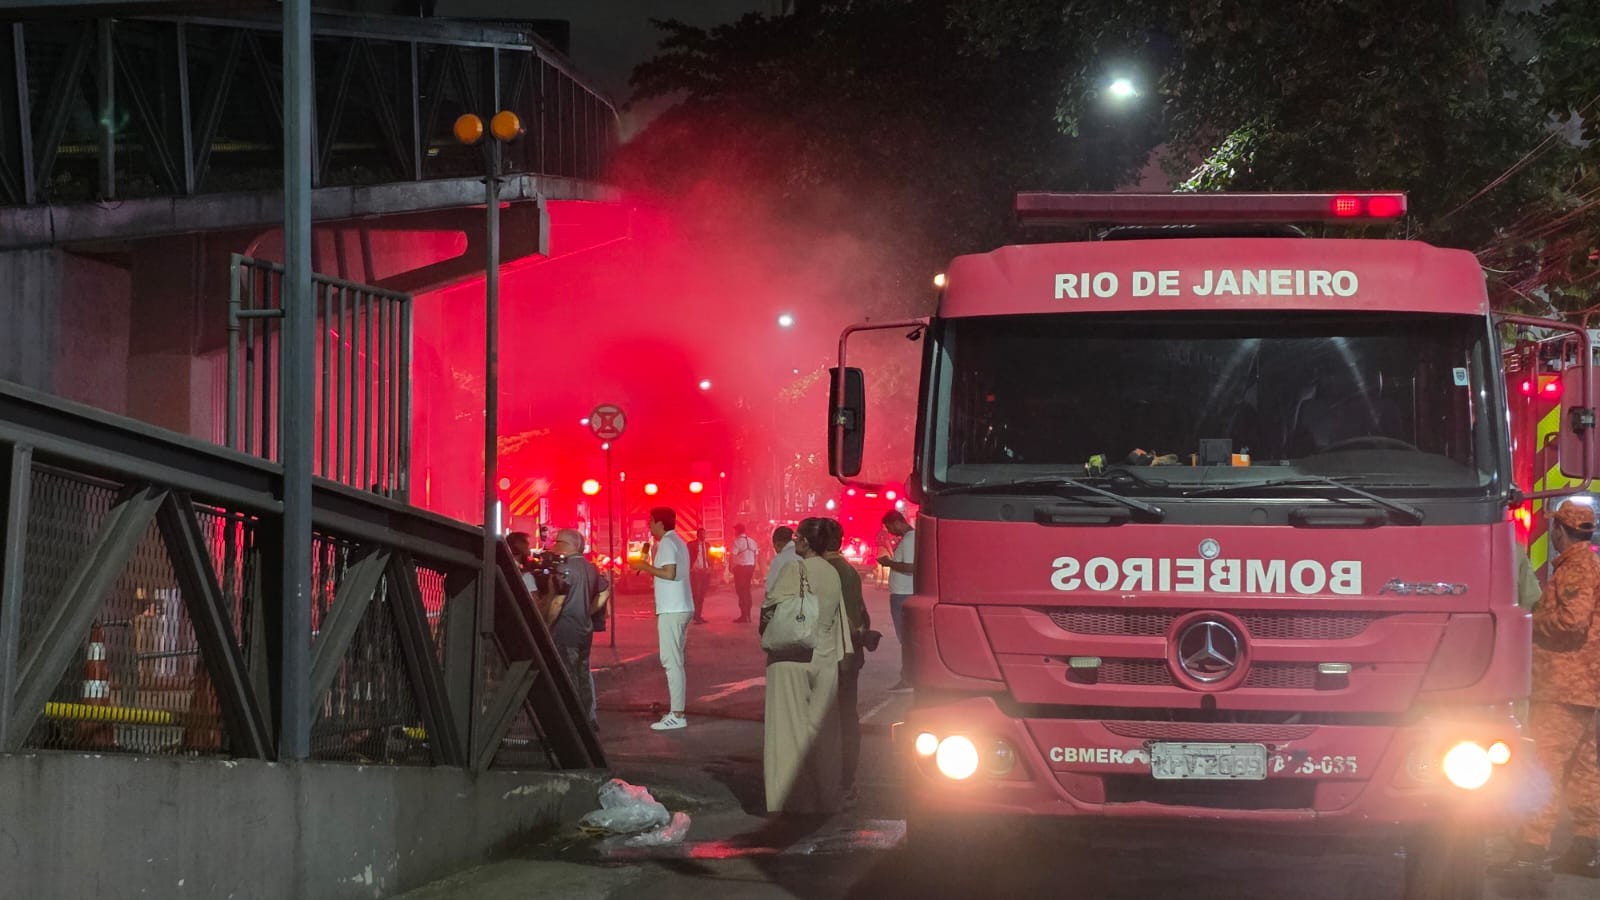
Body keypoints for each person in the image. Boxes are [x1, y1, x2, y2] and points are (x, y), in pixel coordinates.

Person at [1503, 500, 1600, 879]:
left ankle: (1531, 849)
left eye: (1554, 529)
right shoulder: (1589, 564)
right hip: (1585, 687)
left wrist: (1533, 620)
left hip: (1563, 685)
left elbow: (1571, 622)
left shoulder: (1576, 567)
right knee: (1583, 770)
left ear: (1560, 530)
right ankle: (1587, 848)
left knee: (1542, 766)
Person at [762, 517, 848, 815]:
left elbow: (770, 606)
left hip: (793, 659)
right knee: (823, 732)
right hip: (825, 657)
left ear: (806, 543)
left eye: (797, 536)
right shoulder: (832, 572)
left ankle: (791, 800)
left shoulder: (793, 568)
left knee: (787, 732)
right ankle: (827, 797)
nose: (794, 540)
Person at [629, 507, 693, 731]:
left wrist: (644, 566)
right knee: (676, 661)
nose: (649, 525)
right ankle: (677, 711)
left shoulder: (666, 543)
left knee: (671, 661)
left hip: (672, 609)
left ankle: (677, 714)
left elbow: (669, 573)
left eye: (651, 521)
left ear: (660, 523)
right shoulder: (679, 542)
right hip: (683, 606)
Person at [819, 518, 870, 800]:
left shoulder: (831, 572)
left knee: (835, 719)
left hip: (835, 657)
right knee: (844, 717)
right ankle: (843, 778)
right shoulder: (845, 571)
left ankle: (839, 779)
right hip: (845, 655)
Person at [544, 529, 606, 733]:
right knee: (583, 673)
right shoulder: (590, 568)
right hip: (584, 630)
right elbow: (605, 591)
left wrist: (545, 625)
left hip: (564, 630)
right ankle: (590, 717)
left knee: (567, 675)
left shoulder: (564, 569)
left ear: (567, 545)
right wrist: (588, 611)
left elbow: (557, 602)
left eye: (557, 541)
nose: (554, 545)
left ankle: (571, 722)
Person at [877, 510, 916, 691]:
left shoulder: (909, 539)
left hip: (903, 594)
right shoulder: (909, 538)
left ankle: (908, 677)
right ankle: (908, 676)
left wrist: (888, 563)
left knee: (905, 639)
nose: (890, 531)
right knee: (906, 639)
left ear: (897, 522)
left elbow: (910, 567)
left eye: (890, 527)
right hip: (902, 593)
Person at [729, 524, 760, 623]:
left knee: (741, 592)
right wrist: (754, 566)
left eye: (735, 531)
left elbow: (732, 555)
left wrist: (730, 567)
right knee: (747, 591)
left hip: (741, 569)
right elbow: (756, 555)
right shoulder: (752, 541)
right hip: (750, 568)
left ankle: (744, 615)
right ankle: (748, 615)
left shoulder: (737, 542)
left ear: (737, 531)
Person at [765, 525, 800, 604]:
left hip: (788, 607)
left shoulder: (779, 559)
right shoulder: (805, 553)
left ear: (778, 544)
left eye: (775, 548)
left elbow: (770, 589)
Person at [687, 527, 713, 625]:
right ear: (698, 535)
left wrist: (710, 567)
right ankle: (696, 616)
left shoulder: (707, 545)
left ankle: (698, 615)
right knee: (696, 594)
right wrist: (690, 568)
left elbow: (709, 557)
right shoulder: (691, 545)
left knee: (702, 595)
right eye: (702, 534)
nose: (704, 536)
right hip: (696, 572)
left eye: (705, 534)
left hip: (705, 572)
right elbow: (687, 556)